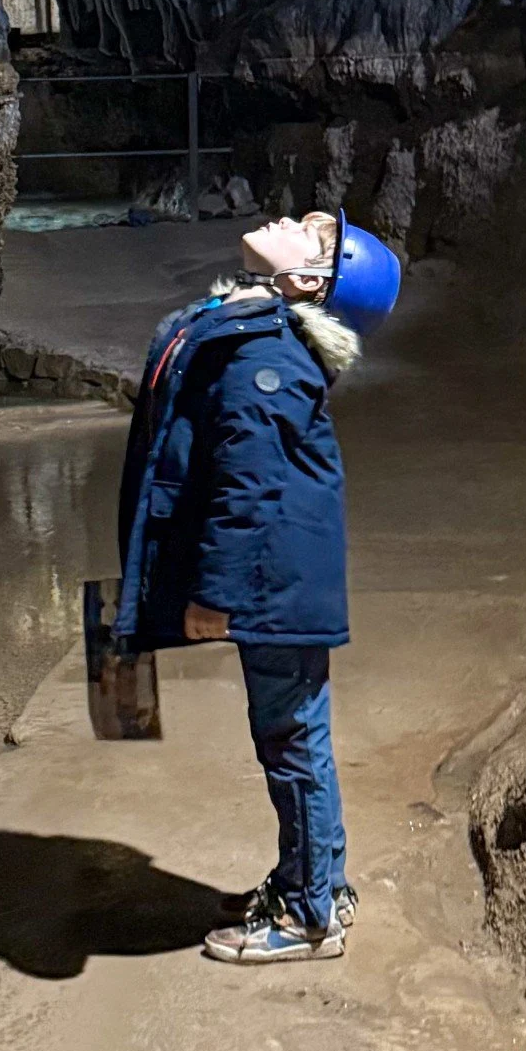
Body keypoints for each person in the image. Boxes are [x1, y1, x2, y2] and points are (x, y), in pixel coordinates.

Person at [113, 207, 402, 964]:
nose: (295, 217)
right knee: (297, 733)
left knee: (291, 740)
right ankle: (319, 883)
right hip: (284, 578)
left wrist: (216, 595)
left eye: (316, 235)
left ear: (309, 281)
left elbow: (248, 488)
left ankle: (308, 914)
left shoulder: (267, 354)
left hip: (275, 585)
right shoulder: (264, 328)